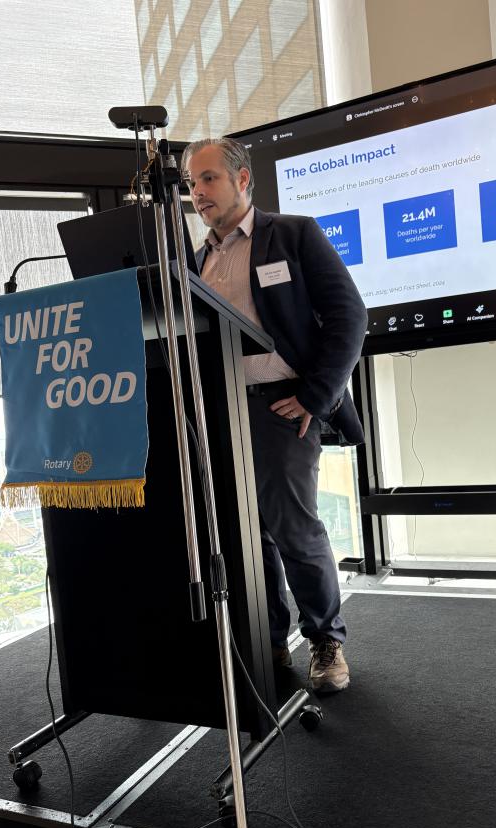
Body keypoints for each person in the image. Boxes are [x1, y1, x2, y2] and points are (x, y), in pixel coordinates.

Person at [182, 137, 367, 693]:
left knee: (292, 529)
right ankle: (267, 641)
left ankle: (325, 641)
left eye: (208, 178)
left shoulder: (293, 234)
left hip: (284, 406)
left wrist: (316, 396)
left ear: (242, 179)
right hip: (220, 411)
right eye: (191, 183)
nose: (198, 192)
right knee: (245, 535)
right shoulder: (195, 261)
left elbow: (349, 315)